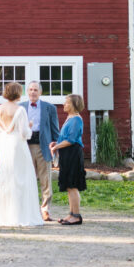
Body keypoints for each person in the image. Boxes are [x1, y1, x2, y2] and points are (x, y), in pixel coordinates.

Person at [0, 82, 42, 227]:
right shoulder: (20, 110)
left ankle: (6, 216)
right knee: (22, 179)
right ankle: (21, 215)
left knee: (8, 179)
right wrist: (30, 127)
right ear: (18, 93)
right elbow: (25, 133)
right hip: (18, 145)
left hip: (5, 145)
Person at [22, 81, 60, 221]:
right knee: (27, 179)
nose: (33, 92)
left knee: (46, 180)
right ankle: (28, 208)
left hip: (43, 146)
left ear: (40, 92)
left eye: (35, 90)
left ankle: (45, 209)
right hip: (26, 147)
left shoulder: (49, 108)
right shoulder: (21, 107)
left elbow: (55, 129)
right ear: (27, 92)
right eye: (30, 89)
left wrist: (57, 149)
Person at [50, 94, 87, 225]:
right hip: (66, 154)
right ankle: (71, 213)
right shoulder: (70, 118)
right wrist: (56, 144)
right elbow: (64, 137)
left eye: (66, 103)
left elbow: (71, 140)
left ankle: (76, 216)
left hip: (73, 154)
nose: (63, 105)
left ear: (74, 104)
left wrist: (56, 147)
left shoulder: (77, 119)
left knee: (73, 185)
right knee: (68, 186)